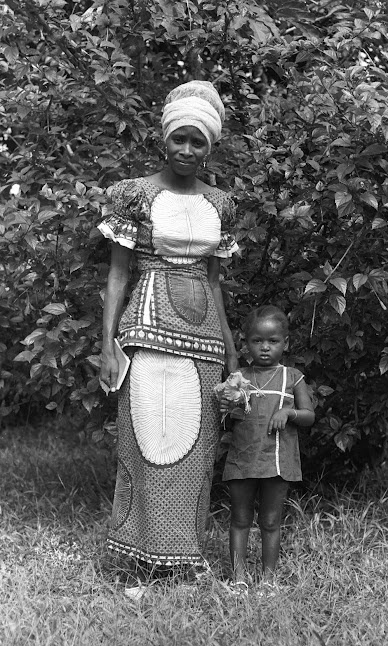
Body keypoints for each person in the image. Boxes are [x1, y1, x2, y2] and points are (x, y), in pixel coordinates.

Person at [98, 80, 239, 597]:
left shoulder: (222, 203)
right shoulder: (133, 194)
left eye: (197, 141)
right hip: (147, 326)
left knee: (197, 444)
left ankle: (185, 560)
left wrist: (230, 352)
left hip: (202, 335)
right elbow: (117, 274)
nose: (187, 150)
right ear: (164, 139)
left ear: (211, 146)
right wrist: (107, 342)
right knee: (148, 437)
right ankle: (146, 557)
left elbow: (216, 281)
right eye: (179, 138)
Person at [220, 305, 315, 597]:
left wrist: (289, 413)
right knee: (239, 518)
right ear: (245, 342)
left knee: (271, 521)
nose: (264, 348)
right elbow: (225, 418)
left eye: (272, 341)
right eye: (257, 341)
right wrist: (228, 410)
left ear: (285, 343)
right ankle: (239, 579)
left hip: (277, 460)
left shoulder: (292, 376)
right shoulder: (239, 376)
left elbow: (309, 416)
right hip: (243, 458)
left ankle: (268, 580)